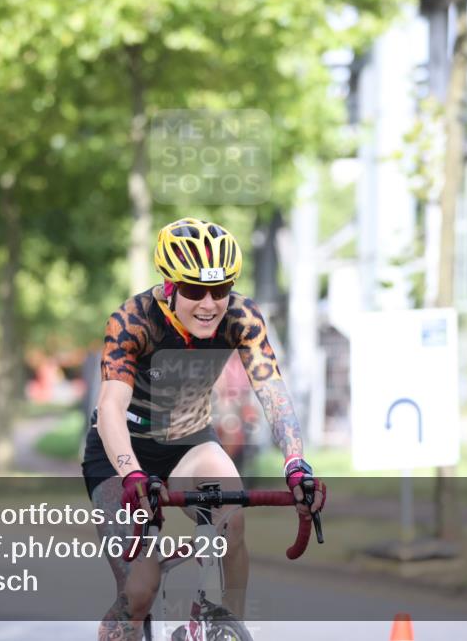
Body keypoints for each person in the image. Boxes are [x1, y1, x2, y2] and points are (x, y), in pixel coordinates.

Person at [81, 218, 325, 641]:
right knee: (140, 591)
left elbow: (273, 393)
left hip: (190, 443)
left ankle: (226, 626)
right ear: (170, 286)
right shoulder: (132, 320)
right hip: (122, 451)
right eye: (194, 291)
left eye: (221, 288)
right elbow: (110, 408)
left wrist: (297, 465)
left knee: (232, 519)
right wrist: (133, 475)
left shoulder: (241, 316)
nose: (209, 303)